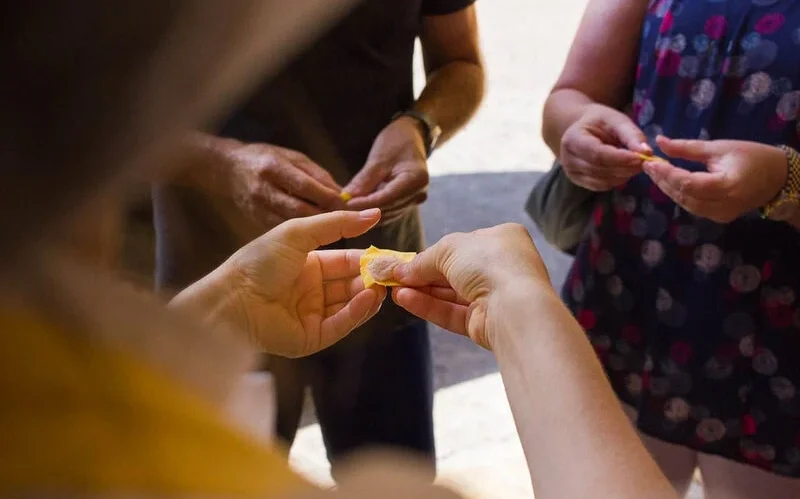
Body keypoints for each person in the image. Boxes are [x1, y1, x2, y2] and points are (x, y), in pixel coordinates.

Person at [152, 0, 485, 471]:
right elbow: (83, 112)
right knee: (211, 478)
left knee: (396, 474)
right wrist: (220, 163)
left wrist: (420, 127)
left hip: (378, 273)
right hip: (217, 279)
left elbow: (461, 62)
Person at [542, 0, 800, 497]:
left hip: (778, 350)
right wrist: (576, 131)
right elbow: (570, 97)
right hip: (627, 299)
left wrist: (785, 180)